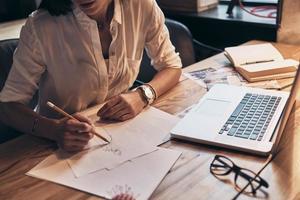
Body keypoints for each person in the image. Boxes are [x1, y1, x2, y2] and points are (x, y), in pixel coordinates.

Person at [0, 0, 182, 152]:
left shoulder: (141, 6)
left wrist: (142, 95)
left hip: (122, 135)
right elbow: (8, 107)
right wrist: (53, 130)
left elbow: (171, 66)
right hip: (54, 149)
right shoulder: (41, 26)